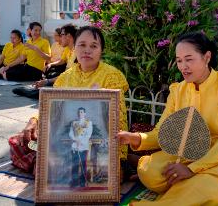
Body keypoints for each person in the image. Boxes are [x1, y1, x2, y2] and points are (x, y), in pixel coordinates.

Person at [117, 32, 218, 205]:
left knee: (203, 189)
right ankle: (187, 184)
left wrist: (192, 169)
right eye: (179, 60)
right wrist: (134, 138)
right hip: (186, 154)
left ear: (207, 57)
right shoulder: (178, 90)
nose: (183, 66)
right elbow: (162, 132)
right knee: (149, 171)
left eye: (189, 59)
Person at [8, 26, 129, 173]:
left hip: (97, 142)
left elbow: (119, 120)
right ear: (75, 48)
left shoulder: (112, 76)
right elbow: (51, 109)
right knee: (20, 141)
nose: (87, 50)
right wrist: (34, 121)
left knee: (70, 167)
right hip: (65, 139)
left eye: (94, 46)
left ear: (101, 50)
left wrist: (118, 160)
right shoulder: (65, 77)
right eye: (82, 45)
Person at [11, 24, 76, 98]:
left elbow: (49, 58)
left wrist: (47, 81)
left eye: (61, 35)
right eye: (35, 30)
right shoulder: (68, 49)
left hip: (39, 70)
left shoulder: (77, 52)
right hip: (65, 76)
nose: (60, 38)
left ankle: (31, 91)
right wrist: (50, 65)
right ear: (30, 31)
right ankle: (32, 90)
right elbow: (63, 62)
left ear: (69, 36)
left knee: (44, 90)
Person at [69, 107, 93, 187]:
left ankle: (83, 182)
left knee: (83, 164)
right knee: (74, 164)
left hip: (83, 146)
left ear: (85, 113)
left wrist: (81, 141)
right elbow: (71, 133)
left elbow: (88, 134)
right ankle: (74, 181)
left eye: (82, 112)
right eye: (79, 112)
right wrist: (75, 139)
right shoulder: (74, 123)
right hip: (75, 146)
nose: (80, 114)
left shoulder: (88, 123)